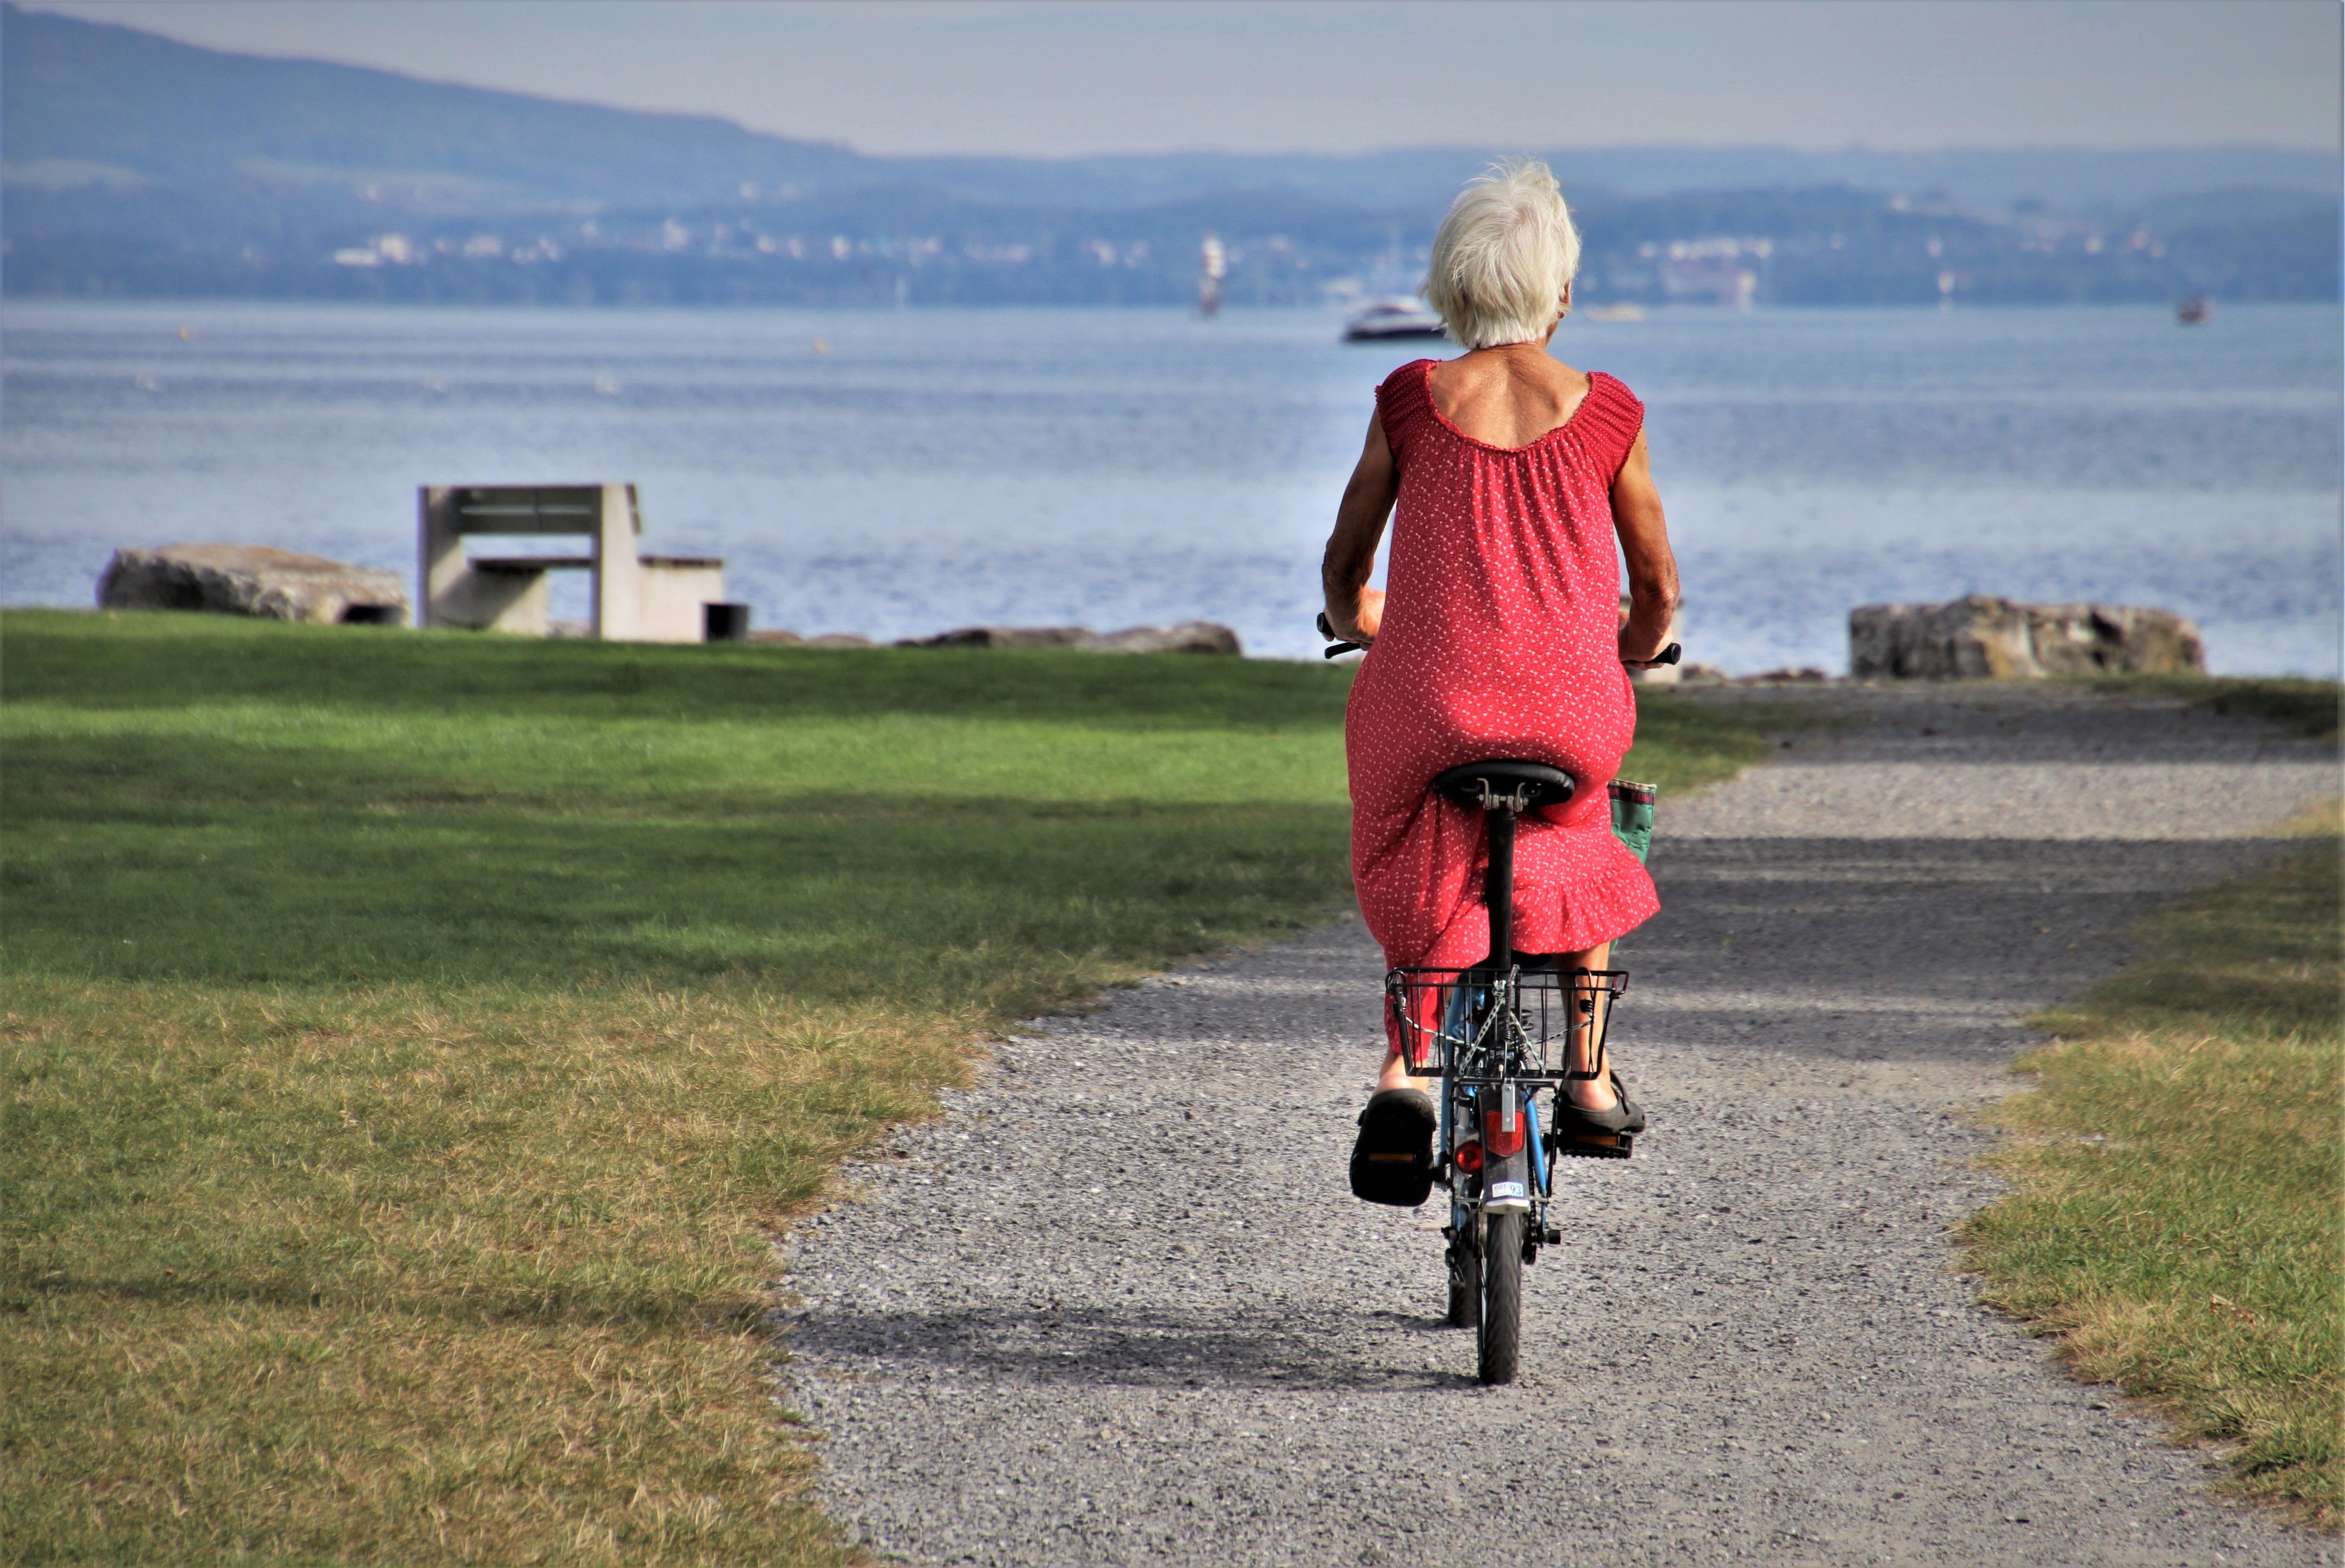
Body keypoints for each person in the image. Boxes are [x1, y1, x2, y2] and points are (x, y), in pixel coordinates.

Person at [1323, 159, 1680, 1194]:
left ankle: (1407, 1072)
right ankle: (1588, 1073)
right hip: (1568, 713)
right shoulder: (1608, 411)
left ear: (1449, 288)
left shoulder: (1410, 400)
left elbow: (1347, 563)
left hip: (1428, 704)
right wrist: (1638, 644)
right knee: (1581, 833)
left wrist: (1358, 621)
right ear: (1559, 293)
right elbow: (1655, 582)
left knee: (1420, 824)